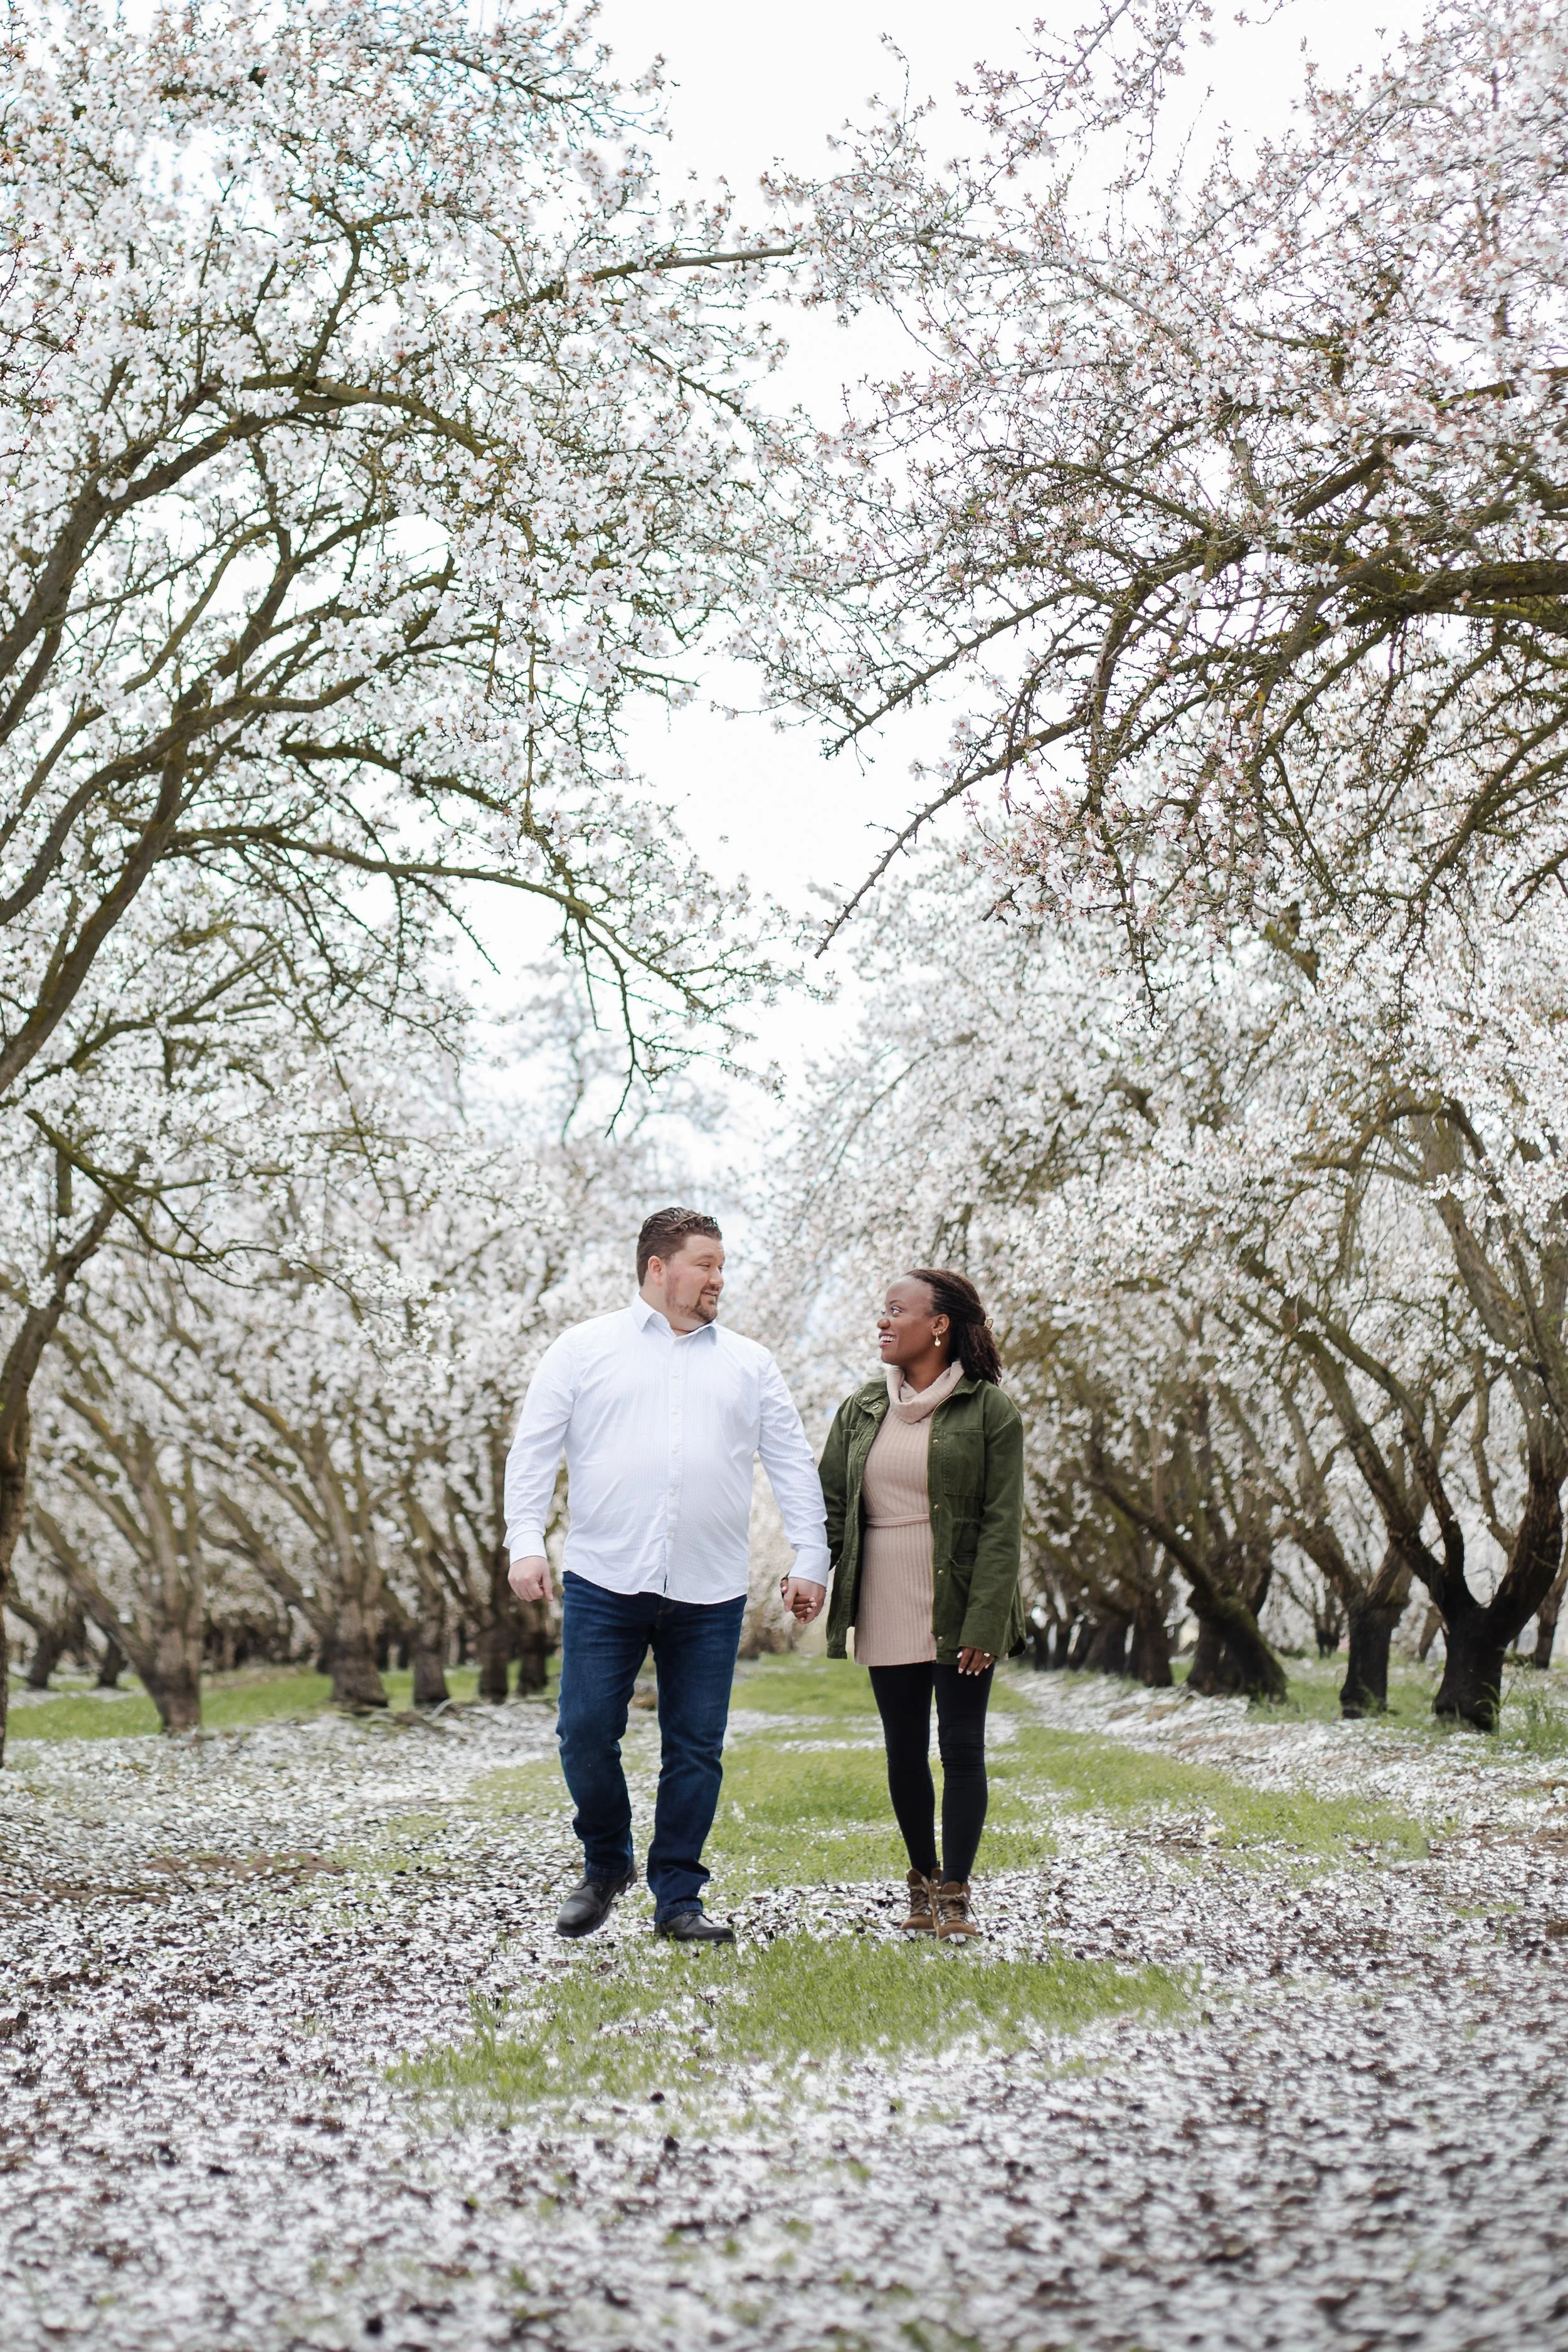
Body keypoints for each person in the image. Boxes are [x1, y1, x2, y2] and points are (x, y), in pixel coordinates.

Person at [506, 1208, 830, 1944]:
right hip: (603, 1578)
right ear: (659, 1267)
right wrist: (525, 1542)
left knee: (695, 1747)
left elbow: (789, 1464)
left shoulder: (750, 1363)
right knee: (584, 1731)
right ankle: (606, 1862)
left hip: (710, 1589)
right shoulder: (583, 1349)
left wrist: (810, 1557)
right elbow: (533, 1452)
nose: (720, 1278)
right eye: (706, 1263)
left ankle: (678, 1896)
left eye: (722, 1265)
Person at [813, 1269, 1024, 1941]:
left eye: (896, 1310)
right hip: (883, 1590)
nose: (882, 1321)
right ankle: (922, 1878)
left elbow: (1001, 1525)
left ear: (938, 1325)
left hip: (960, 1597)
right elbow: (830, 1507)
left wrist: (986, 1620)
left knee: (960, 1746)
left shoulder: (990, 1410)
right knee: (903, 1752)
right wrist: (808, 1572)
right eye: (882, 1310)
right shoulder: (861, 1409)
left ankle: (956, 1893)